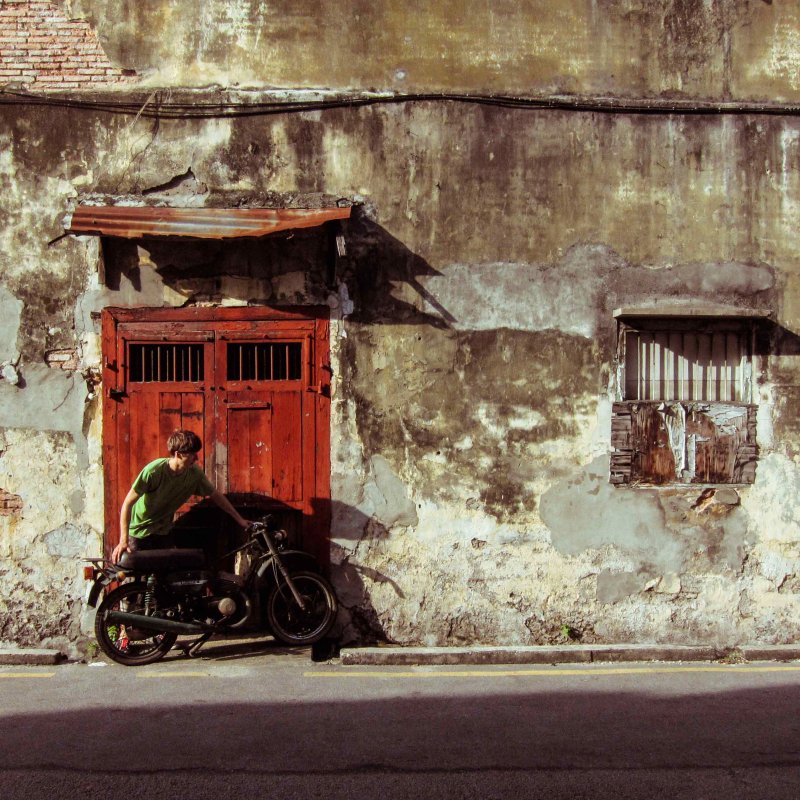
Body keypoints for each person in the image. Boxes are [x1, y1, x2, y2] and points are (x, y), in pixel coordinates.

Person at [111, 429, 250, 562]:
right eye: (192, 454)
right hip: (139, 531)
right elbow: (127, 504)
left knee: (167, 576)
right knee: (136, 578)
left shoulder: (194, 474)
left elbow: (216, 496)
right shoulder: (154, 471)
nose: (196, 458)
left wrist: (240, 520)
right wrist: (123, 540)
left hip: (163, 531)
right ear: (178, 454)